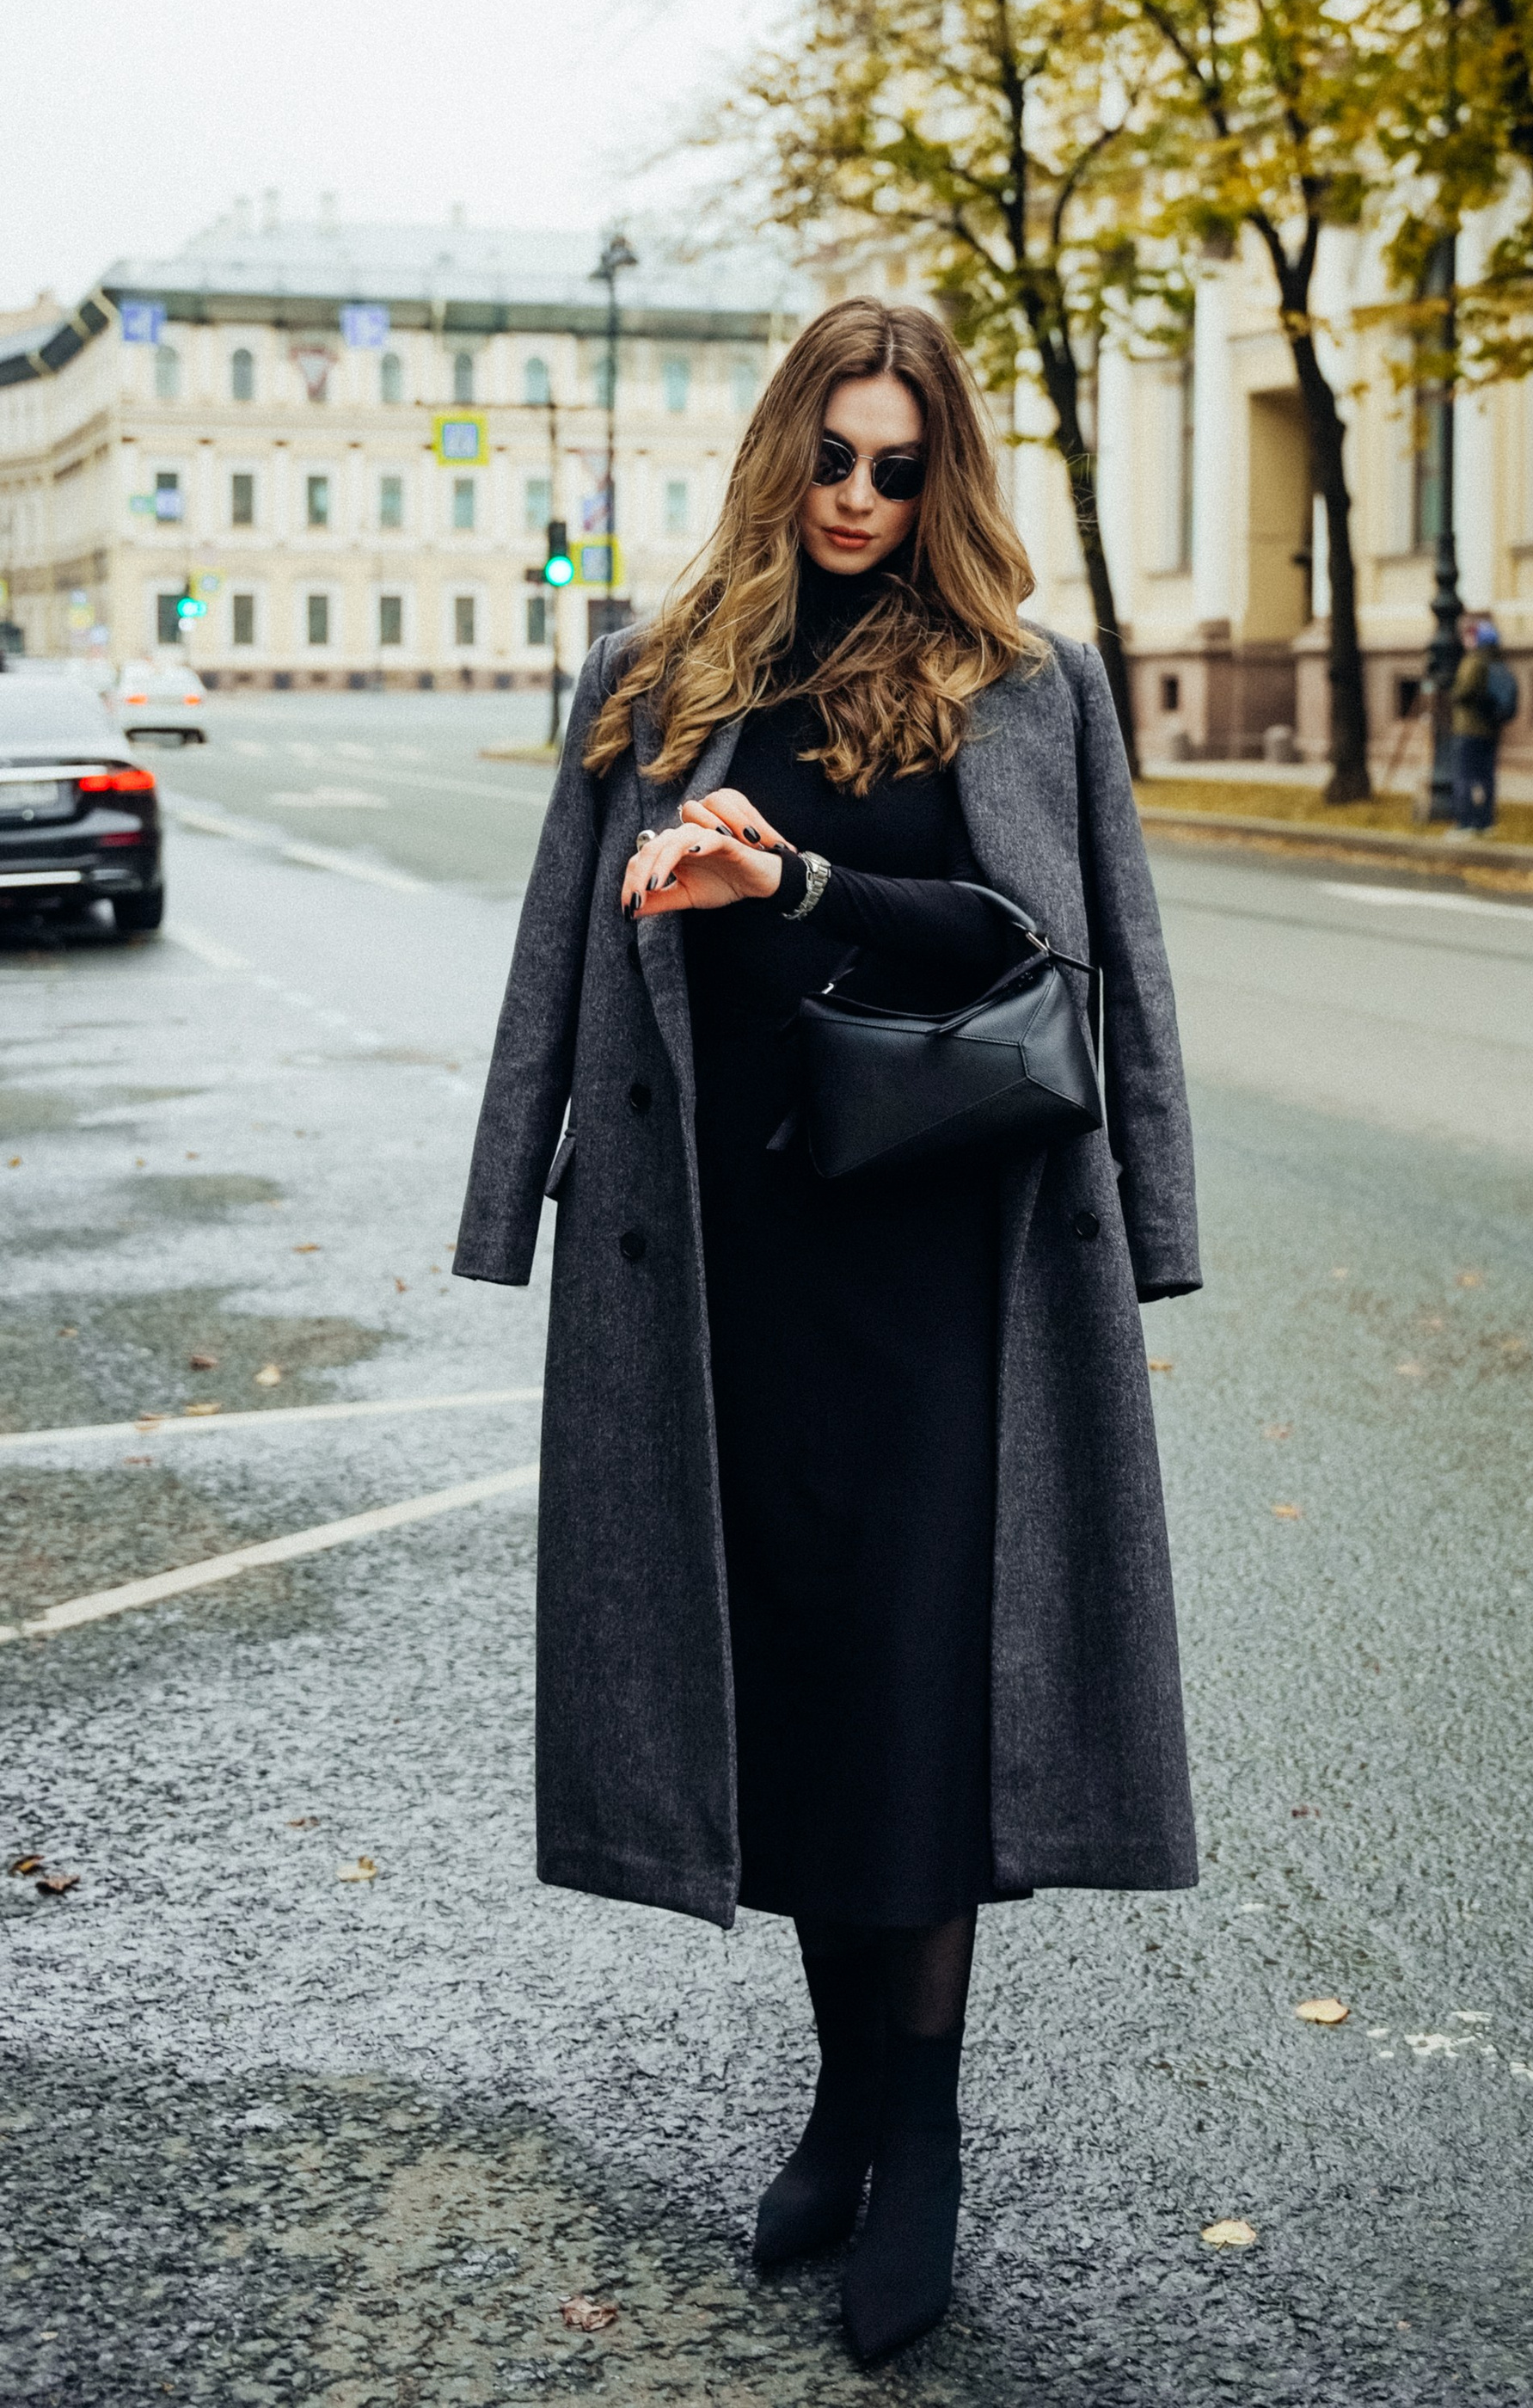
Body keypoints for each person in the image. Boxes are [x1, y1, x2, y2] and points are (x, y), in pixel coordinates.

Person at [454, 297, 1200, 2366]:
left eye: (899, 463)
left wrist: (797, 886)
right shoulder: (652, 673)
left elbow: (1057, 948)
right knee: (774, 1674)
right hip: (718, 1257)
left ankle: (927, 2126)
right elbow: (551, 947)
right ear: (780, 446)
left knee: (917, 1690)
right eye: (833, 454)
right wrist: (510, 1184)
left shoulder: (1017, 684)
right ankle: (838, 2097)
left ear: (941, 472)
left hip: (945, 1269)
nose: (861, 495)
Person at [1447, 617, 1512, 832]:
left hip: (1469, 728)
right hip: (1490, 728)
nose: (1465, 639)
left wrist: (1451, 690)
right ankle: (1486, 821)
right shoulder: (1496, 661)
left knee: (1465, 776)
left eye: (1469, 635)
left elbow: (1463, 691)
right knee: (1486, 777)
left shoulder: (1473, 661)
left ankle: (1466, 823)